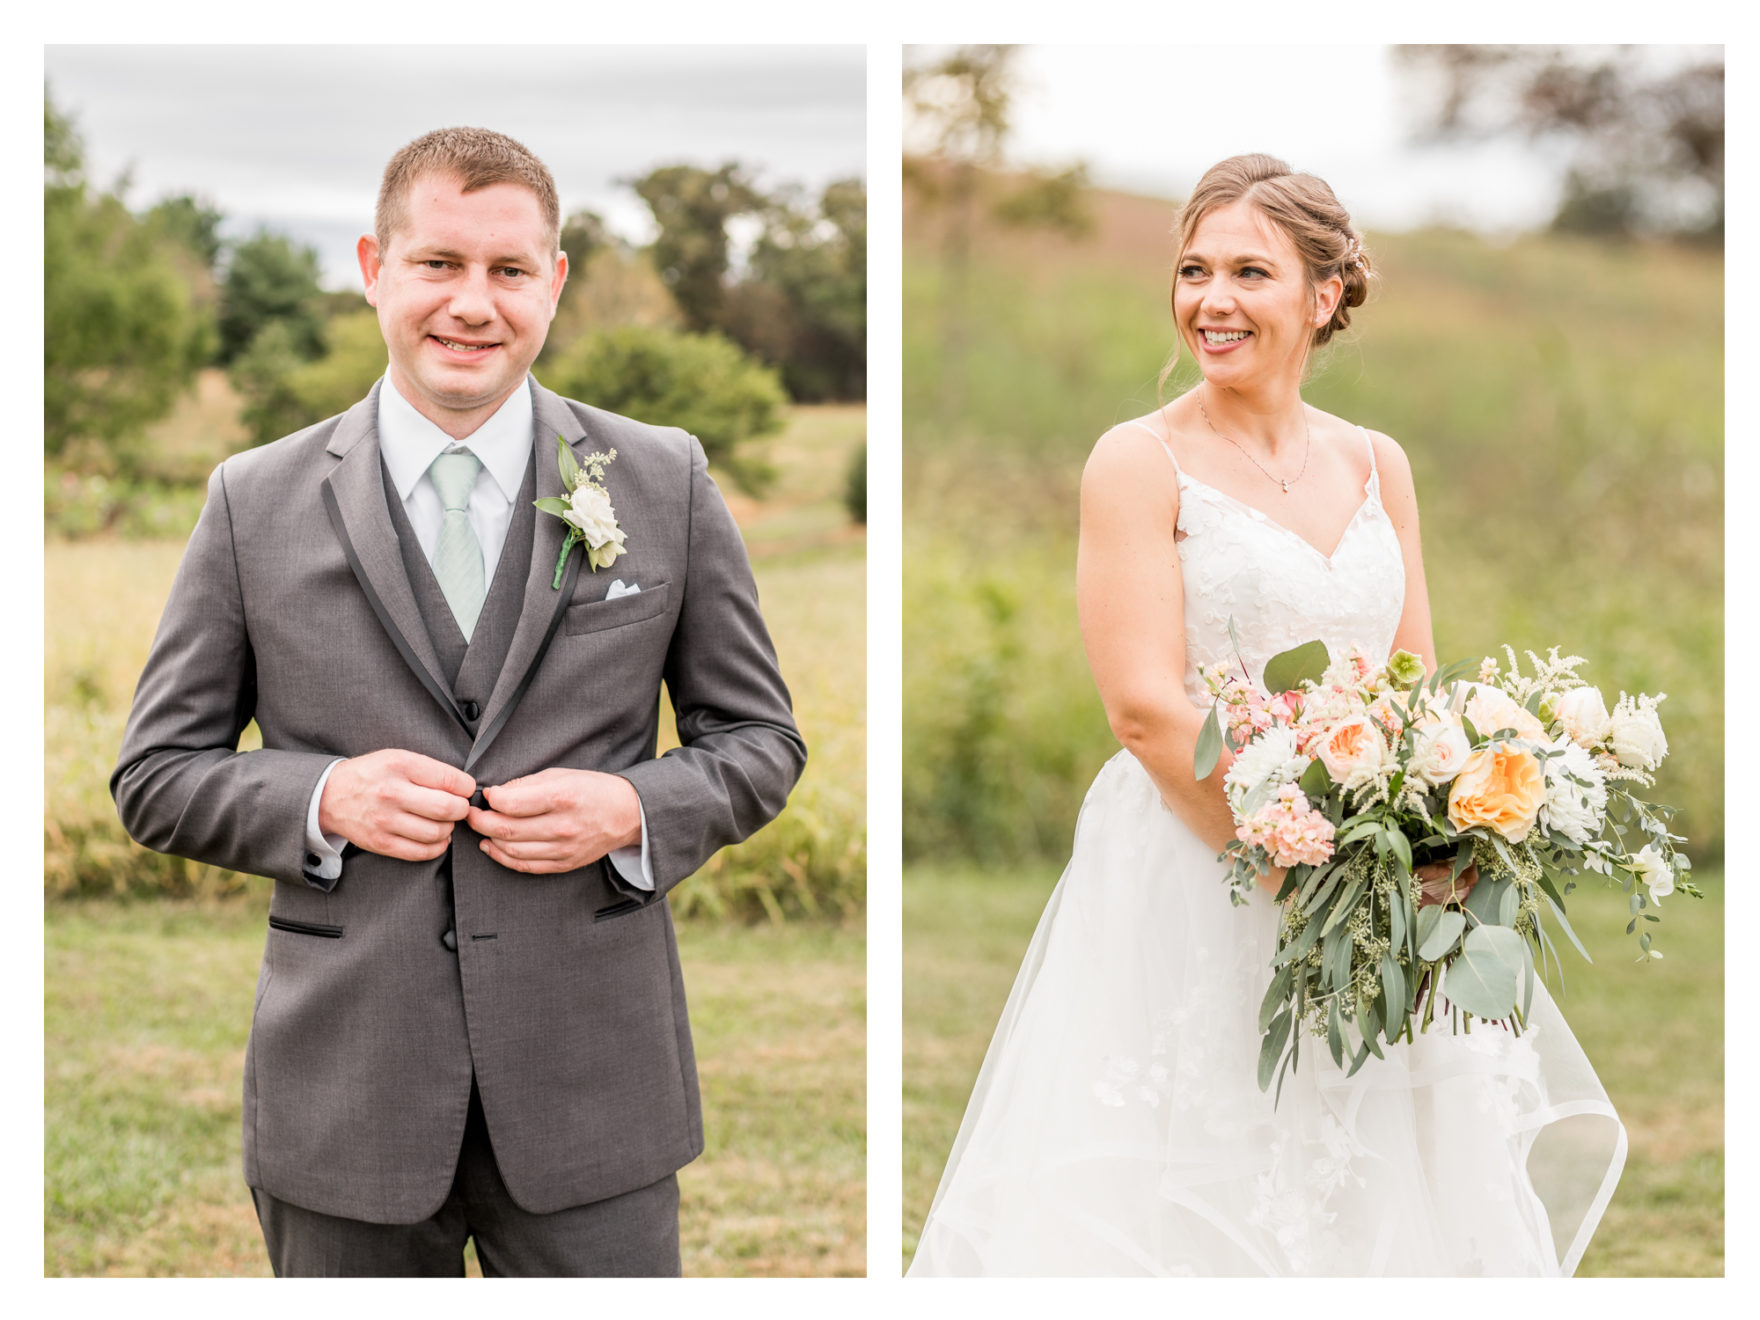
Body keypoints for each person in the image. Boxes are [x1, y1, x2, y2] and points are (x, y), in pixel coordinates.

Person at [907, 154, 1623, 1277]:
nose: (1210, 300)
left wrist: (1429, 849)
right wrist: (1302, 875)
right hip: (1202, 865)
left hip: (1371, 875)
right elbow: (1143, 709)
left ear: (1323, 296)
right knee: (1198, 1185)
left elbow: (1409, 685)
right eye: (1193, 270)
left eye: (1249, 271)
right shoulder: (1137, 462)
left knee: (1380, 1178)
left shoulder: (1377, 464)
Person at [112, 127, 807, 1277]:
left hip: (595, 1091)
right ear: (373, 268)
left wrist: (630, 811)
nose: (471, 305)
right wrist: (326, 796)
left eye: (507, 271)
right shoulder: (253, 500)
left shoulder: (661, 478)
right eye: (438, 264)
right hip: (346, 1099)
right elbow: (156, 776)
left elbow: (759, 742)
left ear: (555, 283)